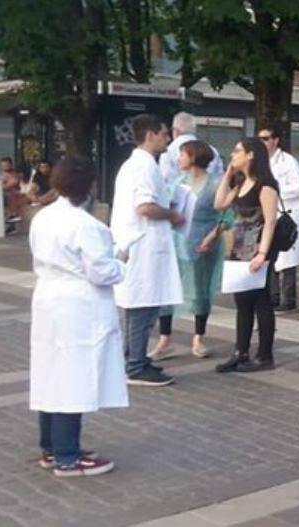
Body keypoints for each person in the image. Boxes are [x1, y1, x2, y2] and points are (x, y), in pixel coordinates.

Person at [29, 157, 127, 477]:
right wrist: (121, 262)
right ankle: (67, 456)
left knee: (50, 374)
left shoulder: (43, 217)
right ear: (88, 188)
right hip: (78, 304)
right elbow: (100, 272)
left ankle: (52, 447)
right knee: (73, 378)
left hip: (48, 298)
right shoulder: (87, 226)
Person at [110, 113, 183, 387]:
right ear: (151, 135)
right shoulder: (143, 166)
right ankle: (136, 365)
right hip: (144, 246)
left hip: (138, 245)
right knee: (143, 307)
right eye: (164, 134)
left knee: (137, 307)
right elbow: (145, 207)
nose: (167, 138)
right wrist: (172, 215)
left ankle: (133, 357)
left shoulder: (136, 165)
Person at [151, 140, 231, 361]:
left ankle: (198, 337)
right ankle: (165, 339)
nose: (179, 159)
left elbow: (227, 216)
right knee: (168, 289)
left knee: (199, 289)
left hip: (202, 241)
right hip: (176, 240)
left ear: (194, 157)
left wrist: (212, 235)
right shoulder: (177, 182)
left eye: (183, 154)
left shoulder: (215, 183)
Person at [214, 137, 280, 373]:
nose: (233, 155)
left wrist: (262, 253)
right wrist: (228, 173)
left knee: (261, 301)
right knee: (242, 302)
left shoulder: (266, 185)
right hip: (239, 247)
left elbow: (270, 221)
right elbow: (219, 203)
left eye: (237, 151)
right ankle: (240, 351)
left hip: (258, 248)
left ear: (251, 155)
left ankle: (265, 355)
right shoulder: (241, 183)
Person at [259, 126, 299, 312]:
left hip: (287, 213)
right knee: (270, 257)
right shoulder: (262, 161)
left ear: (275, 140)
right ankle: (273, 297)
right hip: (269, 214)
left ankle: (289, 300)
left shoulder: (288, 161)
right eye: (260, 138)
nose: (262, 142)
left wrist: (275, 193)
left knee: (287, 260)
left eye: (265, 138)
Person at [158, 112, 224, 184]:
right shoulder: (212, 150)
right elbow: (220, 177)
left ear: (175, 130)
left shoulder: (167, 151)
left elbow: (165, 179)